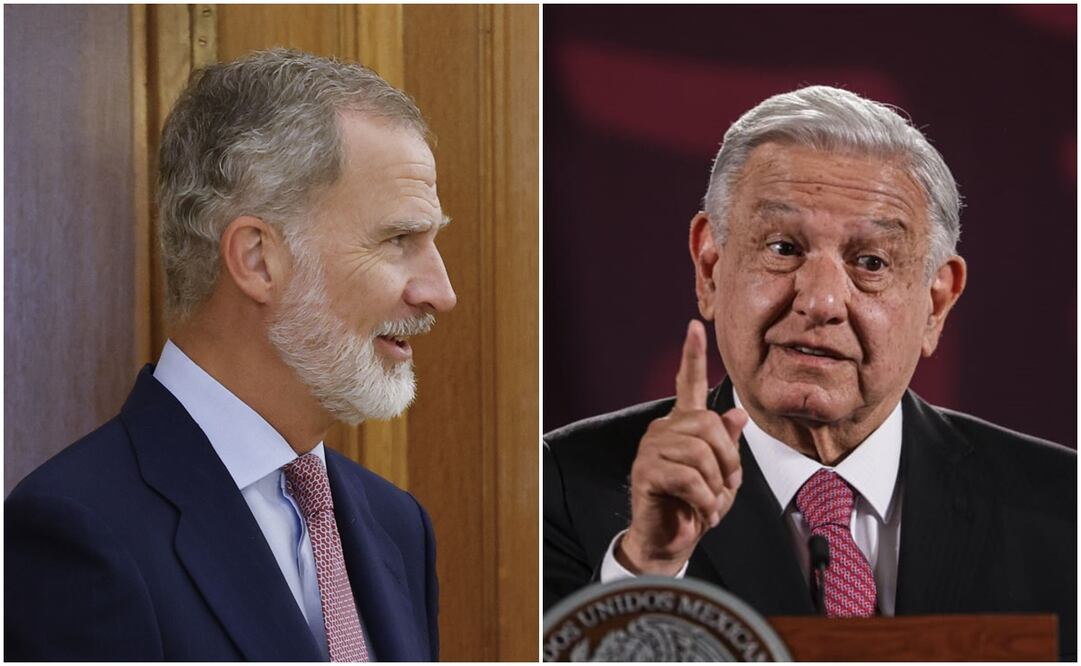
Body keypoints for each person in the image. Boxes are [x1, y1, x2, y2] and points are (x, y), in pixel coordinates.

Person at [543, 85, 1076, 659]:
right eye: (783, 248)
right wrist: (648, 568)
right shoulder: (563, 487)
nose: (821, 302)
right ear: (710, 267)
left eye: (870, 262)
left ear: (936, 303)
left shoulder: (1062, 507)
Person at [6, 48, 455, 661]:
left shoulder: (398, 525)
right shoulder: (77, 530)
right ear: (257, 259)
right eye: (399, 239)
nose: (440, 292)